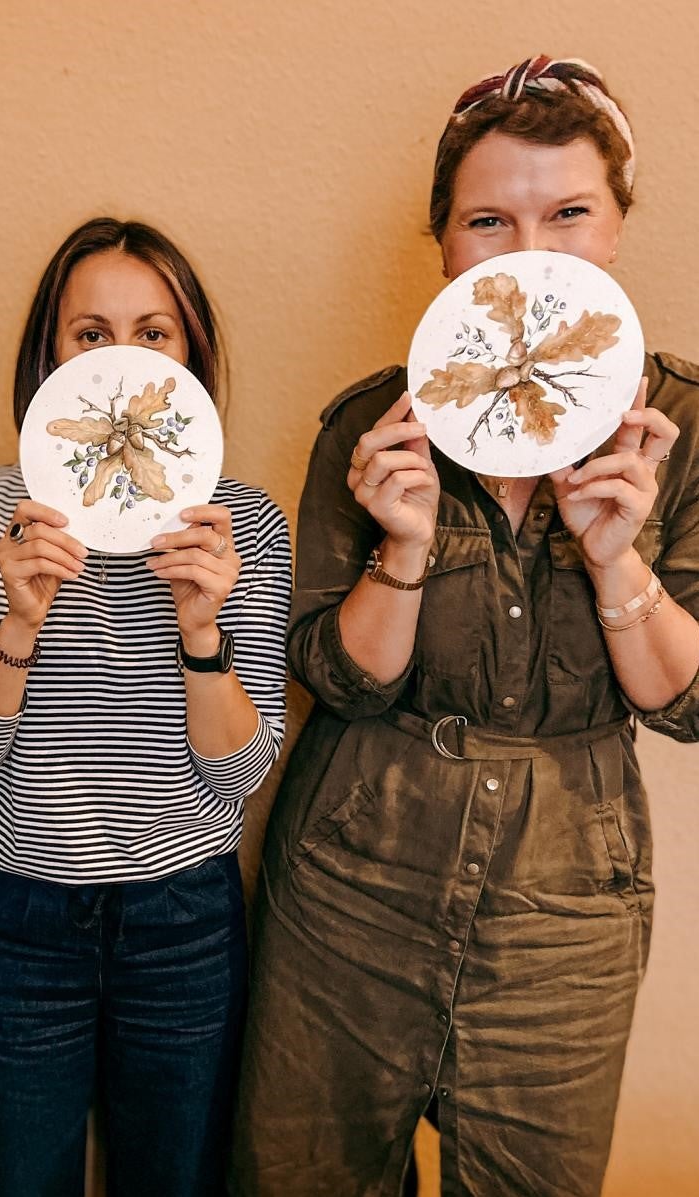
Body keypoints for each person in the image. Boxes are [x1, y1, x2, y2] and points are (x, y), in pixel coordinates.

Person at [232, 56, 699, 1197]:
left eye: (568, 212)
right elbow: (337, 682)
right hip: (353, 879)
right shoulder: (374, 422)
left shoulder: (680, 429)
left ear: (619, 227)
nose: (530, 246)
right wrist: (399, 550)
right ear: (442, 243)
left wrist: (613, 554)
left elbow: (686, 704)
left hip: (567, 908)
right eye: (489, 219)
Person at [0, 217, 291, 1197]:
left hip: (185, 921)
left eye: (153, 332)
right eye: (91, 334)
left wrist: (202, 632)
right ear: (49, 357)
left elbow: (243, 776)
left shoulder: (239, 525)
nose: (122, 359)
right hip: (19, 917)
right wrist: (21, 620)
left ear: (194, 354)